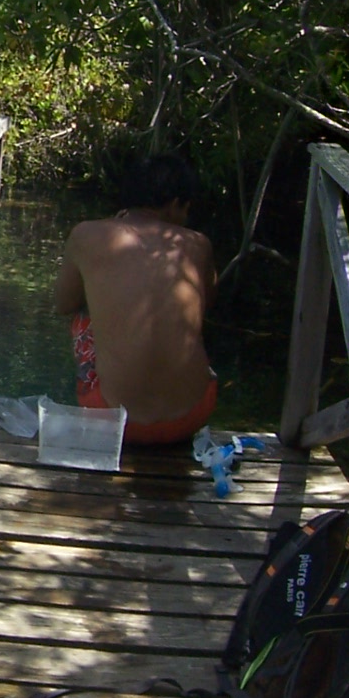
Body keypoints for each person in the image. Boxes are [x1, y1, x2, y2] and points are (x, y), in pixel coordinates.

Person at [53, 153, 220, 470]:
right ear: (173, 202)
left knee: (82, 316)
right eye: (186, 207)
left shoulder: (86, 235)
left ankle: (112, 391)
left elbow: (63, 304)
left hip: (113, 422)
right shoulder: (200, 244)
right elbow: (207, 304)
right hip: (193, 415)